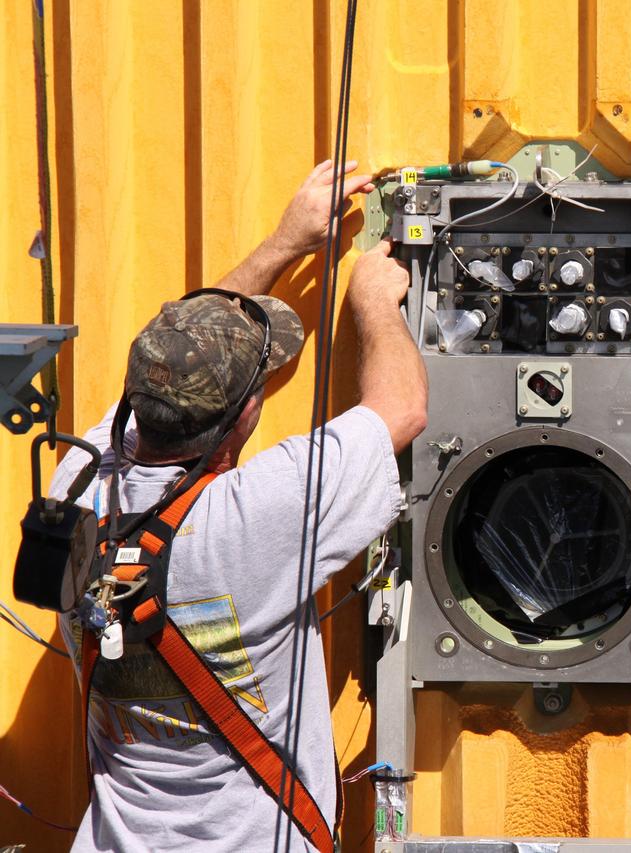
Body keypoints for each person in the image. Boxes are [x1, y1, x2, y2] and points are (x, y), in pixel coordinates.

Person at [47, 159, 428, 851]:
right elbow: (401, 408)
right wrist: (373, 298)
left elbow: (172, 353)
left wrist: (284, 243)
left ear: (138, 398)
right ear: (249, 414)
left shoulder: (74, 487)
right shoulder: (256, 519)